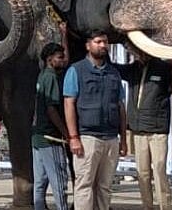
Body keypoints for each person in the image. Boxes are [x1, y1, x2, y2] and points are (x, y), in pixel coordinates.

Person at [63, 30, 127, 210]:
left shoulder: (114, 73)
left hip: (111, 138)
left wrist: (123, 139)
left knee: (105, 187)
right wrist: (73, 137)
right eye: (98, 41)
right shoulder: (76, 70)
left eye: (105, 42)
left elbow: (121, 107)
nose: (103, 45)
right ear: (88, 45)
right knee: (84, 185)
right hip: (87, 138)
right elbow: (69, 104)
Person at [116, 46, 172, 210]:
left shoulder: (165, 67)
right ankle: (147, 206)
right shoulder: (133, 69)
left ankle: (165, 206)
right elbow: (112, 66)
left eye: (143, 51)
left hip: (158, 130)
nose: (140, 54)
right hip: (138, 130)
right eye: (138, 51)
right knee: (142, 172)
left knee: (159, 170)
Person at [32, 42, 70, 210]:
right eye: (60, 58)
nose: (63, 60)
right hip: (51, 137)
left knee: (40, 182)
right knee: (59, 181)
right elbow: (51, 108)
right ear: (49, 59)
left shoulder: (42, 75)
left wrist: (63, 36)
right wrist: (66, 133)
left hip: (38, 137)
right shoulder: (52, 78)